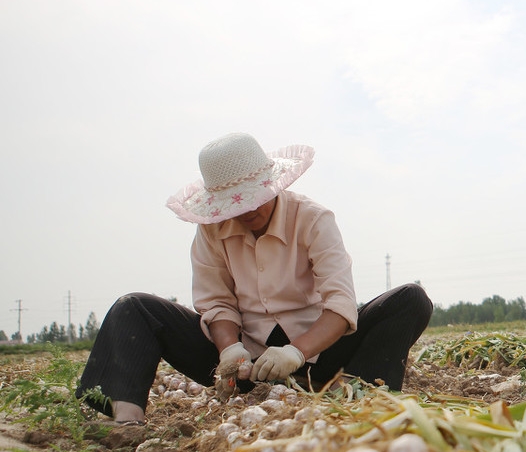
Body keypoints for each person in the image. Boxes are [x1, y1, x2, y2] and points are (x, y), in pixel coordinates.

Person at [75, 132, 433, 425]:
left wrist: (297, 351)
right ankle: (125, 419)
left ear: (273, 184)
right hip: (246, 368)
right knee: (134, 307)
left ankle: (355, 398)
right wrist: (229, 350)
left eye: (254, 199)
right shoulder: (212, 231)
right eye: (235, 205)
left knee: (410, 300)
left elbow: (340, 305)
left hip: (318, 354)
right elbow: (216, 303)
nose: (247, 211)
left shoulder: (313, 219)